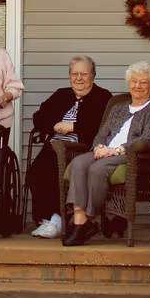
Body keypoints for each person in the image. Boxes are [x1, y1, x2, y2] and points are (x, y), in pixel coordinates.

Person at [63, 61, 150, 247]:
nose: (137, 86)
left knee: (97, 169)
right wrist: (98, 147)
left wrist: (116, 150)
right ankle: (80, 218)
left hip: (133, 156)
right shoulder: (118, 107)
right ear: (128, 83)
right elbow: (102, 132)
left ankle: (90, 219)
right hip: (106, 151)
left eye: (143, 82)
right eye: (134, 81)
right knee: (78, 163)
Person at [27, 56, 112, 239]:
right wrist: (55, 124)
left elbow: (102, 125)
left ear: (93, 76)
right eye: (74, 73)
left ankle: (58, 219)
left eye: (84, 74)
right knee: (36, 171)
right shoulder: (61, 94)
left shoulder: (102, 96)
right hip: (55, 145)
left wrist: (74, 126)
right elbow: (39, 117)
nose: (79, 78)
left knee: (51, 168)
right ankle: (48, 218)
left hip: (81, 148)